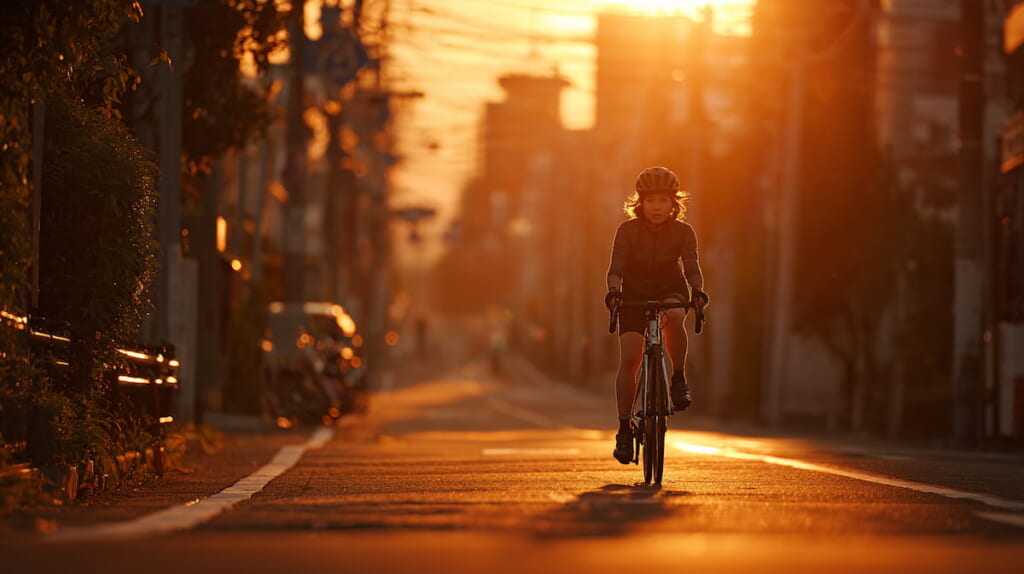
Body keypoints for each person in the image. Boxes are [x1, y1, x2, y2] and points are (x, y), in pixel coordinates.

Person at [604, 166, 709, 465]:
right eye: (651, 201)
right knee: (629, 359)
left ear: (674, 203)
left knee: (675, 316)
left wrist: (697, 291)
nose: (658, 207)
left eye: (664, 200)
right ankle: (624, 428)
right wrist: (614, 291)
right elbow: (616, 269)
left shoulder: (683, 232)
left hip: (670, 288)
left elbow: (691, 267)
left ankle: (678, 377)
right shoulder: (626, 231)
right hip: (634, 295)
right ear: (640, 203)